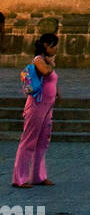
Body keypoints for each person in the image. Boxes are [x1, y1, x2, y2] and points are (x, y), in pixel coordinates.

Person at [13, 32, 60, 188]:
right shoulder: (39, 60)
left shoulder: (46, 60)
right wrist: (51, 63)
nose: (56, 50)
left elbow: (50, 80)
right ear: (47, 46)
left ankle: (38, 176)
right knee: (29, 141)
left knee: (42, 141)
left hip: (47, 107)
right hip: (37, 105)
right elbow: (46, 71)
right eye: (55, 46)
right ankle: (19, 178)